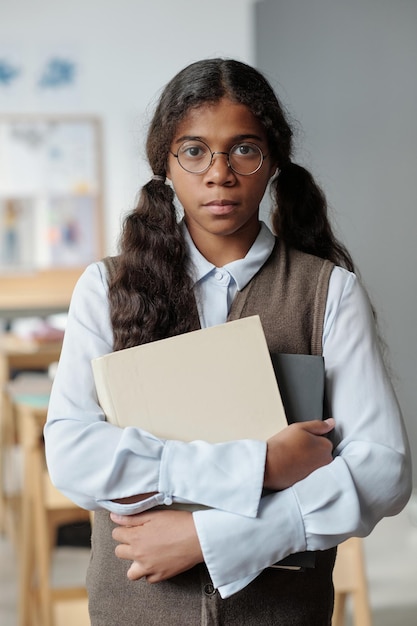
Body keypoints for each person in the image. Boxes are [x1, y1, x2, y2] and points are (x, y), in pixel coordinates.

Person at [44, 58, 412, 625]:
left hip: (281, 610)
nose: (219, 173)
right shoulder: (105, 289)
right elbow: (73, 454)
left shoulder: (328, 292)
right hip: (135, 608)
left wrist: (211, 536)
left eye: (244, 149)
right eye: (194, 151)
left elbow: (383, 470)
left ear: (273, 163)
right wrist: (260, 466)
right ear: (165, 164)